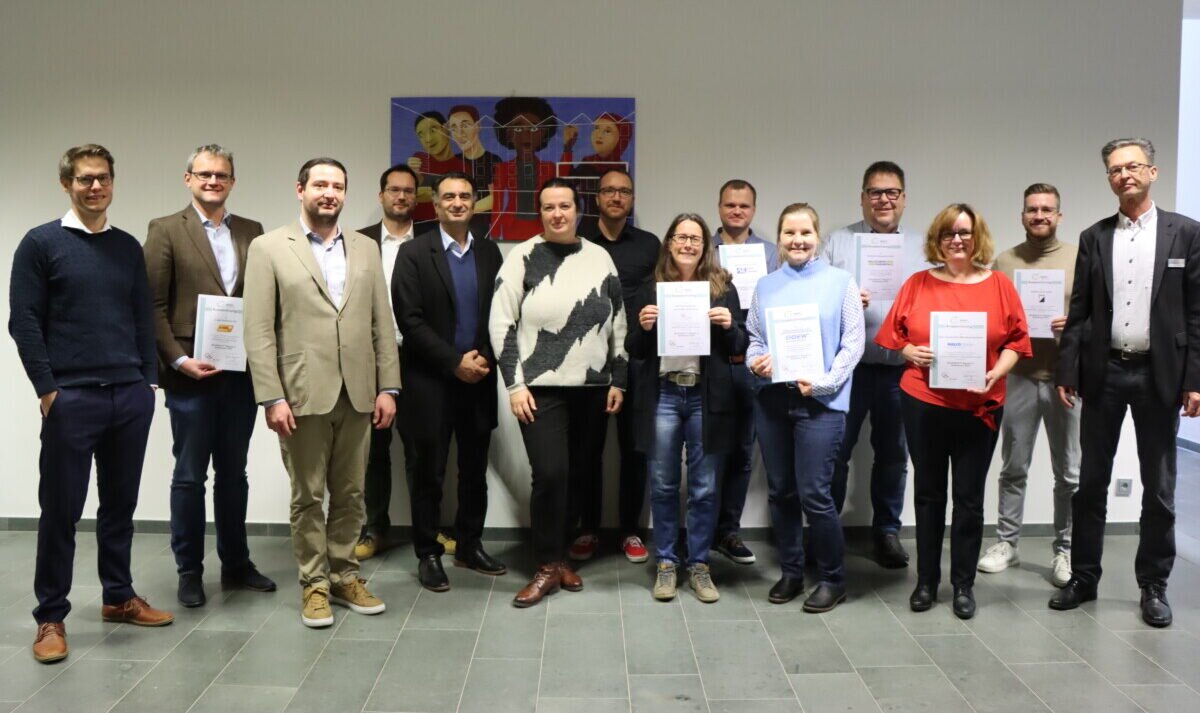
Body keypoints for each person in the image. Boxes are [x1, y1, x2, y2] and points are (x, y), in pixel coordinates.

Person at [10, 144, 173, 664]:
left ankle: (118, 596)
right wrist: (47, 390)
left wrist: (148, 383)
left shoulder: (126, 247)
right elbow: (23, 322)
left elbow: (143, 317)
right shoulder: (40, 243)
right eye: (84, 179)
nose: (95, 187)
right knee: (61, 510)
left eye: (103, 178)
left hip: (129, 395)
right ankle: (51, 616)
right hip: (72, 398)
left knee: (120, 506)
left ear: (112, 183)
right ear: (67, 184)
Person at [244, 158, 400, 628]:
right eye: (320, 184)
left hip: (359, 391)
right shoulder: (269, 247)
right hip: (300, 393)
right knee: (309, 496)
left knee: (352, 493)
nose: (329, 193)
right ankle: (314, 584)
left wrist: (388, 386)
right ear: (301, 190)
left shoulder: (366, 248)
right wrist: (271, 396)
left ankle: (344, 575)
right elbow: (258, 330)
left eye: (338, 186)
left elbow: (381, 322)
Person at [1053, 138, 1200, 628]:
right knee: (1091, 481)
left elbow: (1196, 314)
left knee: (1159, 486)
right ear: (1109, 179)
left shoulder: (1186, 234)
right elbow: (1080, 312)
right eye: (1115, 170)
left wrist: (1195, 380)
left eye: (1133, 166)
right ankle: (1084, 577)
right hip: (1106, 373)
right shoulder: (1094, 237)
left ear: (1152, 172)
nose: (1124, 175)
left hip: (1160, 374)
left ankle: (1153, 584)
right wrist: (1068, 370)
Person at [877, 203, 1031, 620]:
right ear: (937, 240)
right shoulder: (917, 284)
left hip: (980, 404)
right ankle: (926, 581)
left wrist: (996, 372)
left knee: (969, 498)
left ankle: (963, 584)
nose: (957, 240)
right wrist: (910, 351)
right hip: (924, 402)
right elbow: (894, 337)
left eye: (964, 232)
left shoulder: (999, 285)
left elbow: (1017, 342)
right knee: (928, 494)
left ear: (977, 237)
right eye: (949, 233)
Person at [144, 144, 276, 608]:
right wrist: (179, 360)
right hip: (190, 377)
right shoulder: (165, 229)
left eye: (221, 175)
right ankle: (189, 571)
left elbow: (260, 300)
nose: (213, 181)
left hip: (239, 375)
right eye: (204, 174)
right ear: (188, 179)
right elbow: (152, 305)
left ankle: (236, 564)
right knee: (189, 477)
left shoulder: (252, 231)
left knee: (234, 475)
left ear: (232, 181)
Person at [490, 178, 627, 607]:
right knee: (550, 474)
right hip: (540, 391)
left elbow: (619, 322)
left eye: (564, 205)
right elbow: (500, 323)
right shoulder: (522, 256)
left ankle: (562, 556)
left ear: (577, 210)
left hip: (593, 388)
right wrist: (514, 384)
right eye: (549, 207)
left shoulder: (600, 257)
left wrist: (619, 378)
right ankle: (546, 564)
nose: (557, 214)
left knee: (578, 475)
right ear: (541, 213)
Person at [747, 204, 864, 611]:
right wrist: (755, 362)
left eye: (805, 233)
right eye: (789, 233)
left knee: (815, 493)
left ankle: (833, 579)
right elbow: (755, 338)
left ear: (817, 236)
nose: (797, 240)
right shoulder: (766, 285)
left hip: (821, 403)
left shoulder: (841, 282)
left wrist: (824, 383)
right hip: (773, 400)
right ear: (779, 238)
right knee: (781, 492)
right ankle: (792, 572)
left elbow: (853, 343)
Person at [393, 172, 507, 592]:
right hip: (429, 382)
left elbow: (501, 314)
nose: (457, 203)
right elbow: (410, 320)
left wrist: (482, 358)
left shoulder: (490, 252)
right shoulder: (413, 253)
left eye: (465, 196)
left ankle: (469, 545)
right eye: (449, 197)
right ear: (436, 205)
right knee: (428, 472)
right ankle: (428, 553)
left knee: (474, 470)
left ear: (474, 204)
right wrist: (453, 362)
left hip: (479, 378)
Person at [627, 213, 746, 603]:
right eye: (681, 237)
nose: (688, 244)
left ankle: (699, 565)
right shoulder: (651, 288)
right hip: (663, 395)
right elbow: (633, 349)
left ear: (705, 246)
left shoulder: (723, 288)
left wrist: (729, 326)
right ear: (669, 243)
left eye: (696, 238)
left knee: (704, 488)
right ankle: (666, 562)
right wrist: (644, 328)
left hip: (704, 399)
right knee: (663, 485)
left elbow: (740, 346)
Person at [822, 161, 927, 568]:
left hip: (901, 369)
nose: (884, 199)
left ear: (904, 199)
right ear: (862, 197)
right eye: (875, 192)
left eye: (892, 192)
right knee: (836, 452)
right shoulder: (837, 242)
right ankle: (827, 530)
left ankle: (887, 532)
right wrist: (845, 299)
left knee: (894, 455)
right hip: (848, 369)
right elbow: (817, 298)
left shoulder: (923, 246)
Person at [977, 183, 1079, 587]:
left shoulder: (1079, 257)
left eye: (1047, 209)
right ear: (1022, 215)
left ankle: (1066, 550)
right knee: (1013, 466)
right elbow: (993, 316)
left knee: (1069, 473)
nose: (1039, 215)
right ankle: (1007, 543)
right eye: (1032, 209)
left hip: (1066, 380)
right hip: (1019, 376)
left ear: (1059, 215)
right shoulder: (1005, 261)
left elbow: (1097, 315)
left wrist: (1075, 325)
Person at [572, 168, 661, 564]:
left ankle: (630, 530)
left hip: (638, 360)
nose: (616, 197)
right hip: (587, 359)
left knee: (634, 450)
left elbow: (661, 293)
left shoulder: (649, 245)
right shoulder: (577, 241)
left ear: (632, 199)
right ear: (597, 198)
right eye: (608, 190)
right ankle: (588, 528)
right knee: (586, 451)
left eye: (623, 191)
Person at [354, 163, 436, 561]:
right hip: (371, 358)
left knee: (423, 448)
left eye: (408, 190)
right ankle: (375, 528)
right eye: (394, 190)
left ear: (416, 198)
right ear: (381, 195)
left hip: (420, 358)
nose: (401, 196)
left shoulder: (432, 241)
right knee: (373, 449)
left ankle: (428, 531)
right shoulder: (357, 242)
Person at [711, 179, 780, 565]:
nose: (736, 211)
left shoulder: (771, 253)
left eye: (744, 206)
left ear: (753, 210)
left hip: (752, 365)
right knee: (709, 452)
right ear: (719, 207)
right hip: (713, 364)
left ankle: (728, 531)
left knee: (741, 453)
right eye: (730, 204)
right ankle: (702, 532)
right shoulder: (703, 249)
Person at [489, 97, 561, 241]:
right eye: (518, 128)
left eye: (534, 128)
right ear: (508, 134)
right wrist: (495, 235)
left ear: (544, 133)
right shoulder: (502, 168)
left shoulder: (550, 168)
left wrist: (568, 149)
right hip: (512, 227)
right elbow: (497, 203)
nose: (526, 134)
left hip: (541, 227)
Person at [409, 111, 467, 224]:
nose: (428, 139)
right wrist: (413, 175)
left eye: (433, 130)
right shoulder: (420, 161)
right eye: (421, 135)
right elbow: (410, 195)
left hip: (451, 227)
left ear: (446, 129)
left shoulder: (463, 165)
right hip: (419, 228)